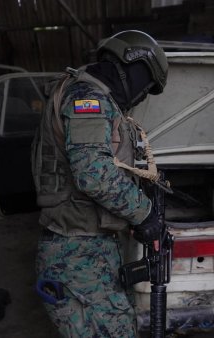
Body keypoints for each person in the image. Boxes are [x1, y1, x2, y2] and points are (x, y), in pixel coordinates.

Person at [31, 30, 168, 337]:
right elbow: (93, 174)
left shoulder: (89, 95)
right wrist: (145, 214)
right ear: (132, 65)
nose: (141, 96)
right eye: (144, 87)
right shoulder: (87, 99)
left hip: (86, 245)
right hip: (76, 251)